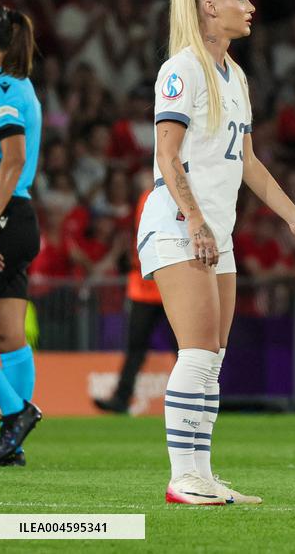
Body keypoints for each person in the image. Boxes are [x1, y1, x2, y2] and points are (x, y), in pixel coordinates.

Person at [137, 0, 295, 505]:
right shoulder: (182, 69)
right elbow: (166, 155)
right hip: (179, 225)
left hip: (217, 231)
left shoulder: (235, 75)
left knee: (212, 357)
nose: (251, 7)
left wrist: (294, 217)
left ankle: (202, 473)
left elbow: (247, 160)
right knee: (196, 352)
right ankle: (182, 477)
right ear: (209, 6)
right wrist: (194, 219)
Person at [0, 0, 43, 467]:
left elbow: (14, 158)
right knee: (7, 336)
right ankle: (13, 445)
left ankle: (15, 413)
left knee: (7, 336)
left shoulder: (1, 86)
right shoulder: (15, 84)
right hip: (17, 215)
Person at [95, 177, 172, 414]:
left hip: (170, 284)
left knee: (187, 348)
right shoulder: (146, 197)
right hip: (145, 286)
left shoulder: (171, 195)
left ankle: (199, 397)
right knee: (136, 347)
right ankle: (121, 398)